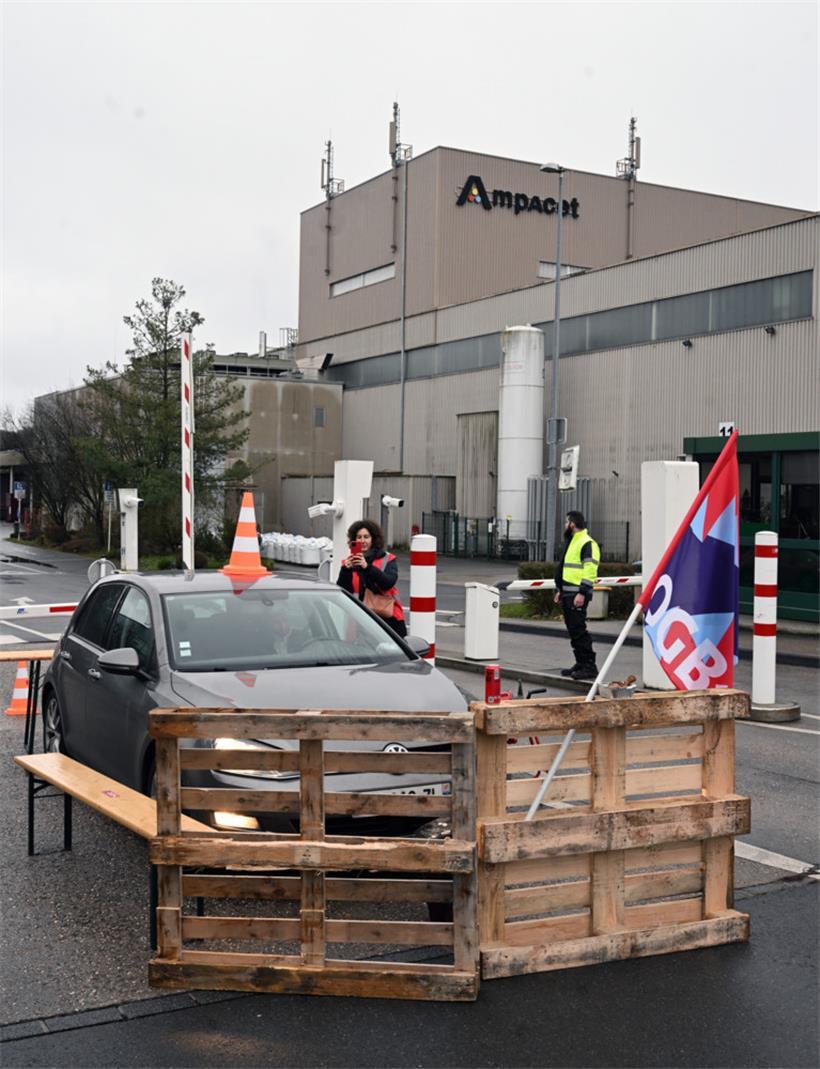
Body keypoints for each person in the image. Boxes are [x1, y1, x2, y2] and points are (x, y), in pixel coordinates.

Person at [336, 519, 407, 638]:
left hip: (387, 617)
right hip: (359, 620)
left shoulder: (387, 559)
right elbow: (343, 590)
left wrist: (366, 567)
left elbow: (388, 583)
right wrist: (345, 570)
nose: (362, 541)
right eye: (359, 537)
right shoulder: (349, 563)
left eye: (366, 537)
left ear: (373, 539)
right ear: (354, 540)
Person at [554, 510, 600, 681]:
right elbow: (566, 569)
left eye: (567, 522)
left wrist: (582, 593)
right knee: (574, 630)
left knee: (579, 631)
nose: (565, 525)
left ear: (573, 523)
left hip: (577, 594)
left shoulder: (587, 543)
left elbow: (590, 570)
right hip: (568, 593)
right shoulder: (573, 541)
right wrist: (560, 590)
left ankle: (589, 666)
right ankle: (581, 663)